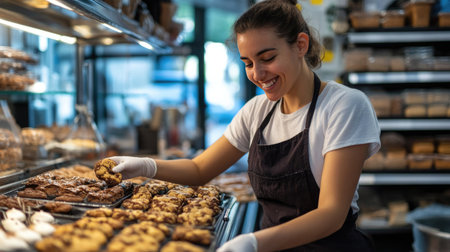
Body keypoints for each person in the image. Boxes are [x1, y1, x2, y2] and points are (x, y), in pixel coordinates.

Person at [110, 0, 380, 251]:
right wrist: (145, 166)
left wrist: (253, 243)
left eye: (268, 58)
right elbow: (199, 169)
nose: (258, 74)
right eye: (248, 63)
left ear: (300, 45)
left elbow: (331, 214)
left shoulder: (344, 106)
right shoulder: (257, 112)